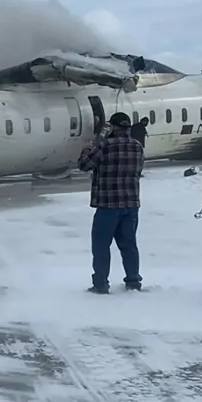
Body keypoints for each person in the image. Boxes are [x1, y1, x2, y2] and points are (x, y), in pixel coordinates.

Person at [77, 112, 145, 294]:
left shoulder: (105, 146)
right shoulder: (137, 146)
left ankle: (100, 284)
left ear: (113, 127)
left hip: (108, 205)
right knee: (129, 245)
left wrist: (87, 149)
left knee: (101, 246)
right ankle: (133, 281)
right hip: (131, 204)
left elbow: (84, 165)